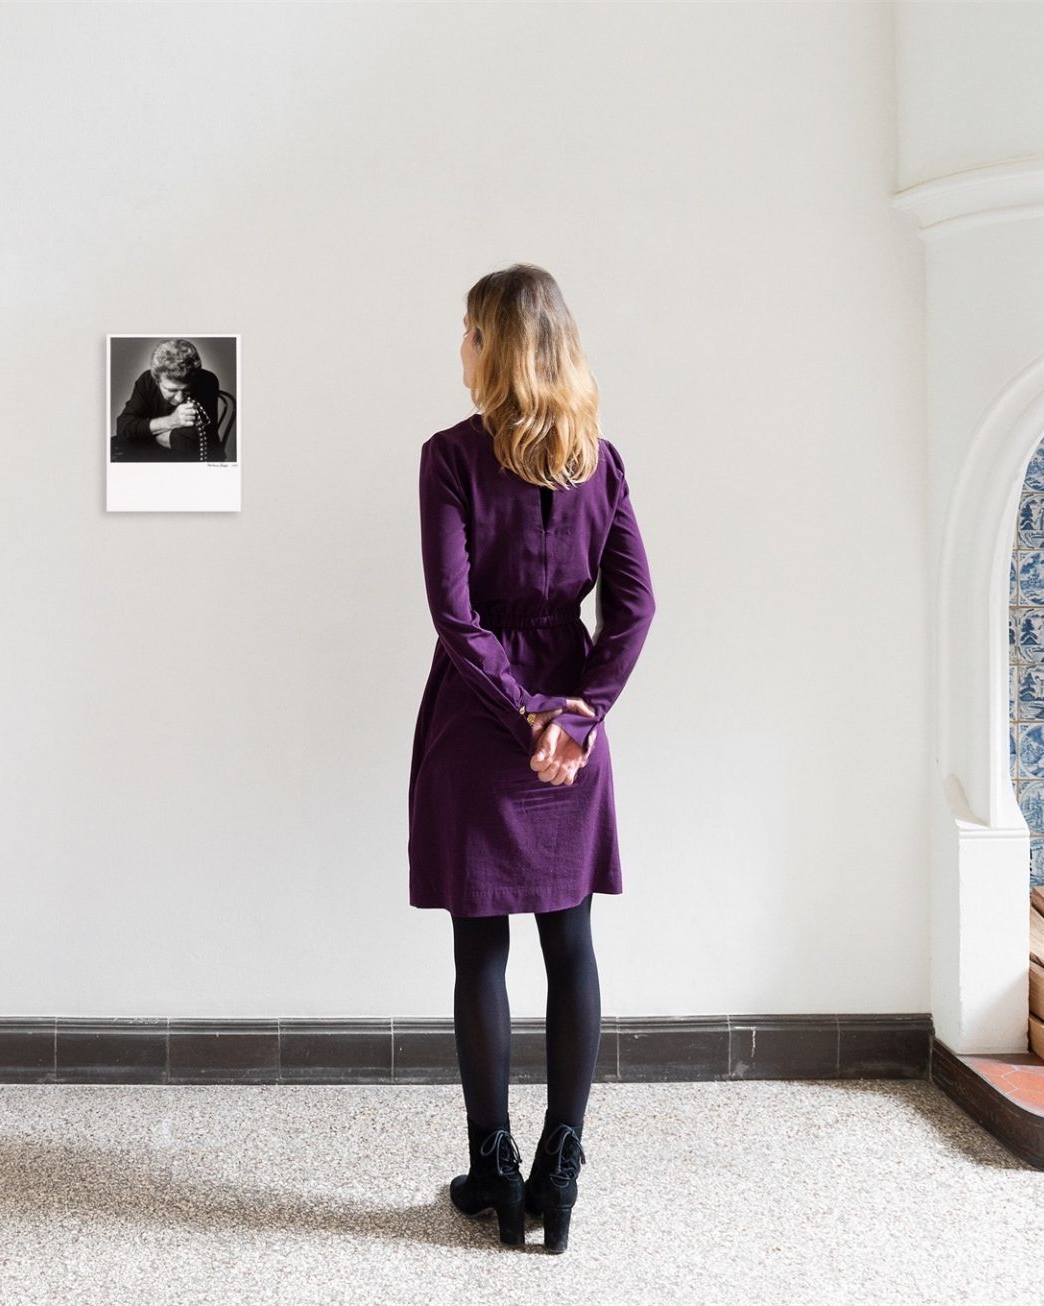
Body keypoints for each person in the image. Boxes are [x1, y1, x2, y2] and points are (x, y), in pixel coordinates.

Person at [408, 263, 657, 1253]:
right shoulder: (601, 461)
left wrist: (522, 715)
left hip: (478, 723)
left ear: (495, 347)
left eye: (467, 331)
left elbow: (456, 618)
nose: (457, 346)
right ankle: (562, 1165)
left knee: (481, 950)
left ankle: (497, 1171)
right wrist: (577, 715)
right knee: (571, 945)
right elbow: (633, 608)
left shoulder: (449, 458)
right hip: (567, 734)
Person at [111, 339, 226, 462]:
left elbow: (190, 442)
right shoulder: (147, 380)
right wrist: (172, 421)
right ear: (157, 381)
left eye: (186, 390)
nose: (179, 398)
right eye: (171, 390)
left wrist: (145, 433)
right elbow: (124, 428)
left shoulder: (207, 380)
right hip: (153, 457)